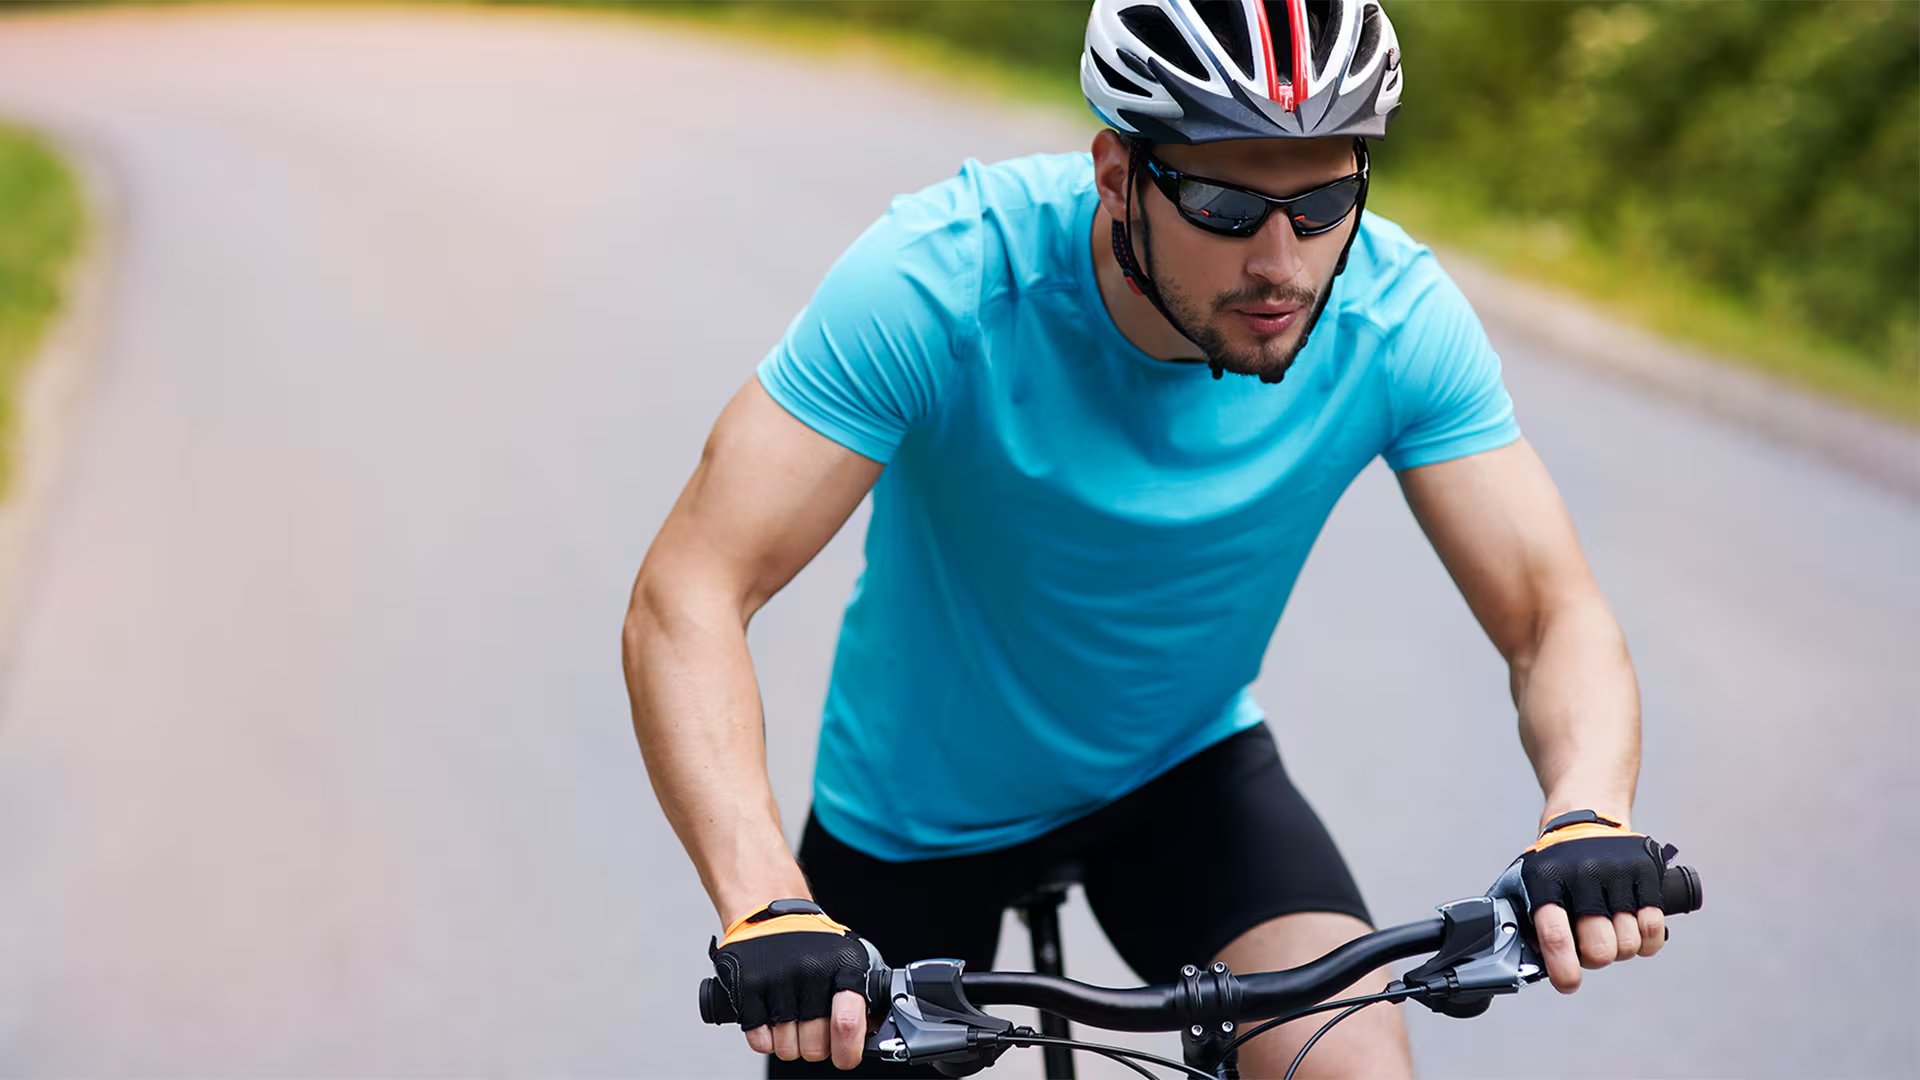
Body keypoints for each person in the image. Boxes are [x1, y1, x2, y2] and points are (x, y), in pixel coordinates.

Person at [623, 1, 1677, 1075]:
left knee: (1354, 1065)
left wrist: (1587, 811)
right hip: (913, 814)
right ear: (1118, 173)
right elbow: (691, 592)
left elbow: (1550, 613)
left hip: (1181, 777)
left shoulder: (1393, 318)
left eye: (1322, 200)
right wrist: (763, 902)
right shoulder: (941, 280)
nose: (1283, 262)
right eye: (1226, 202)